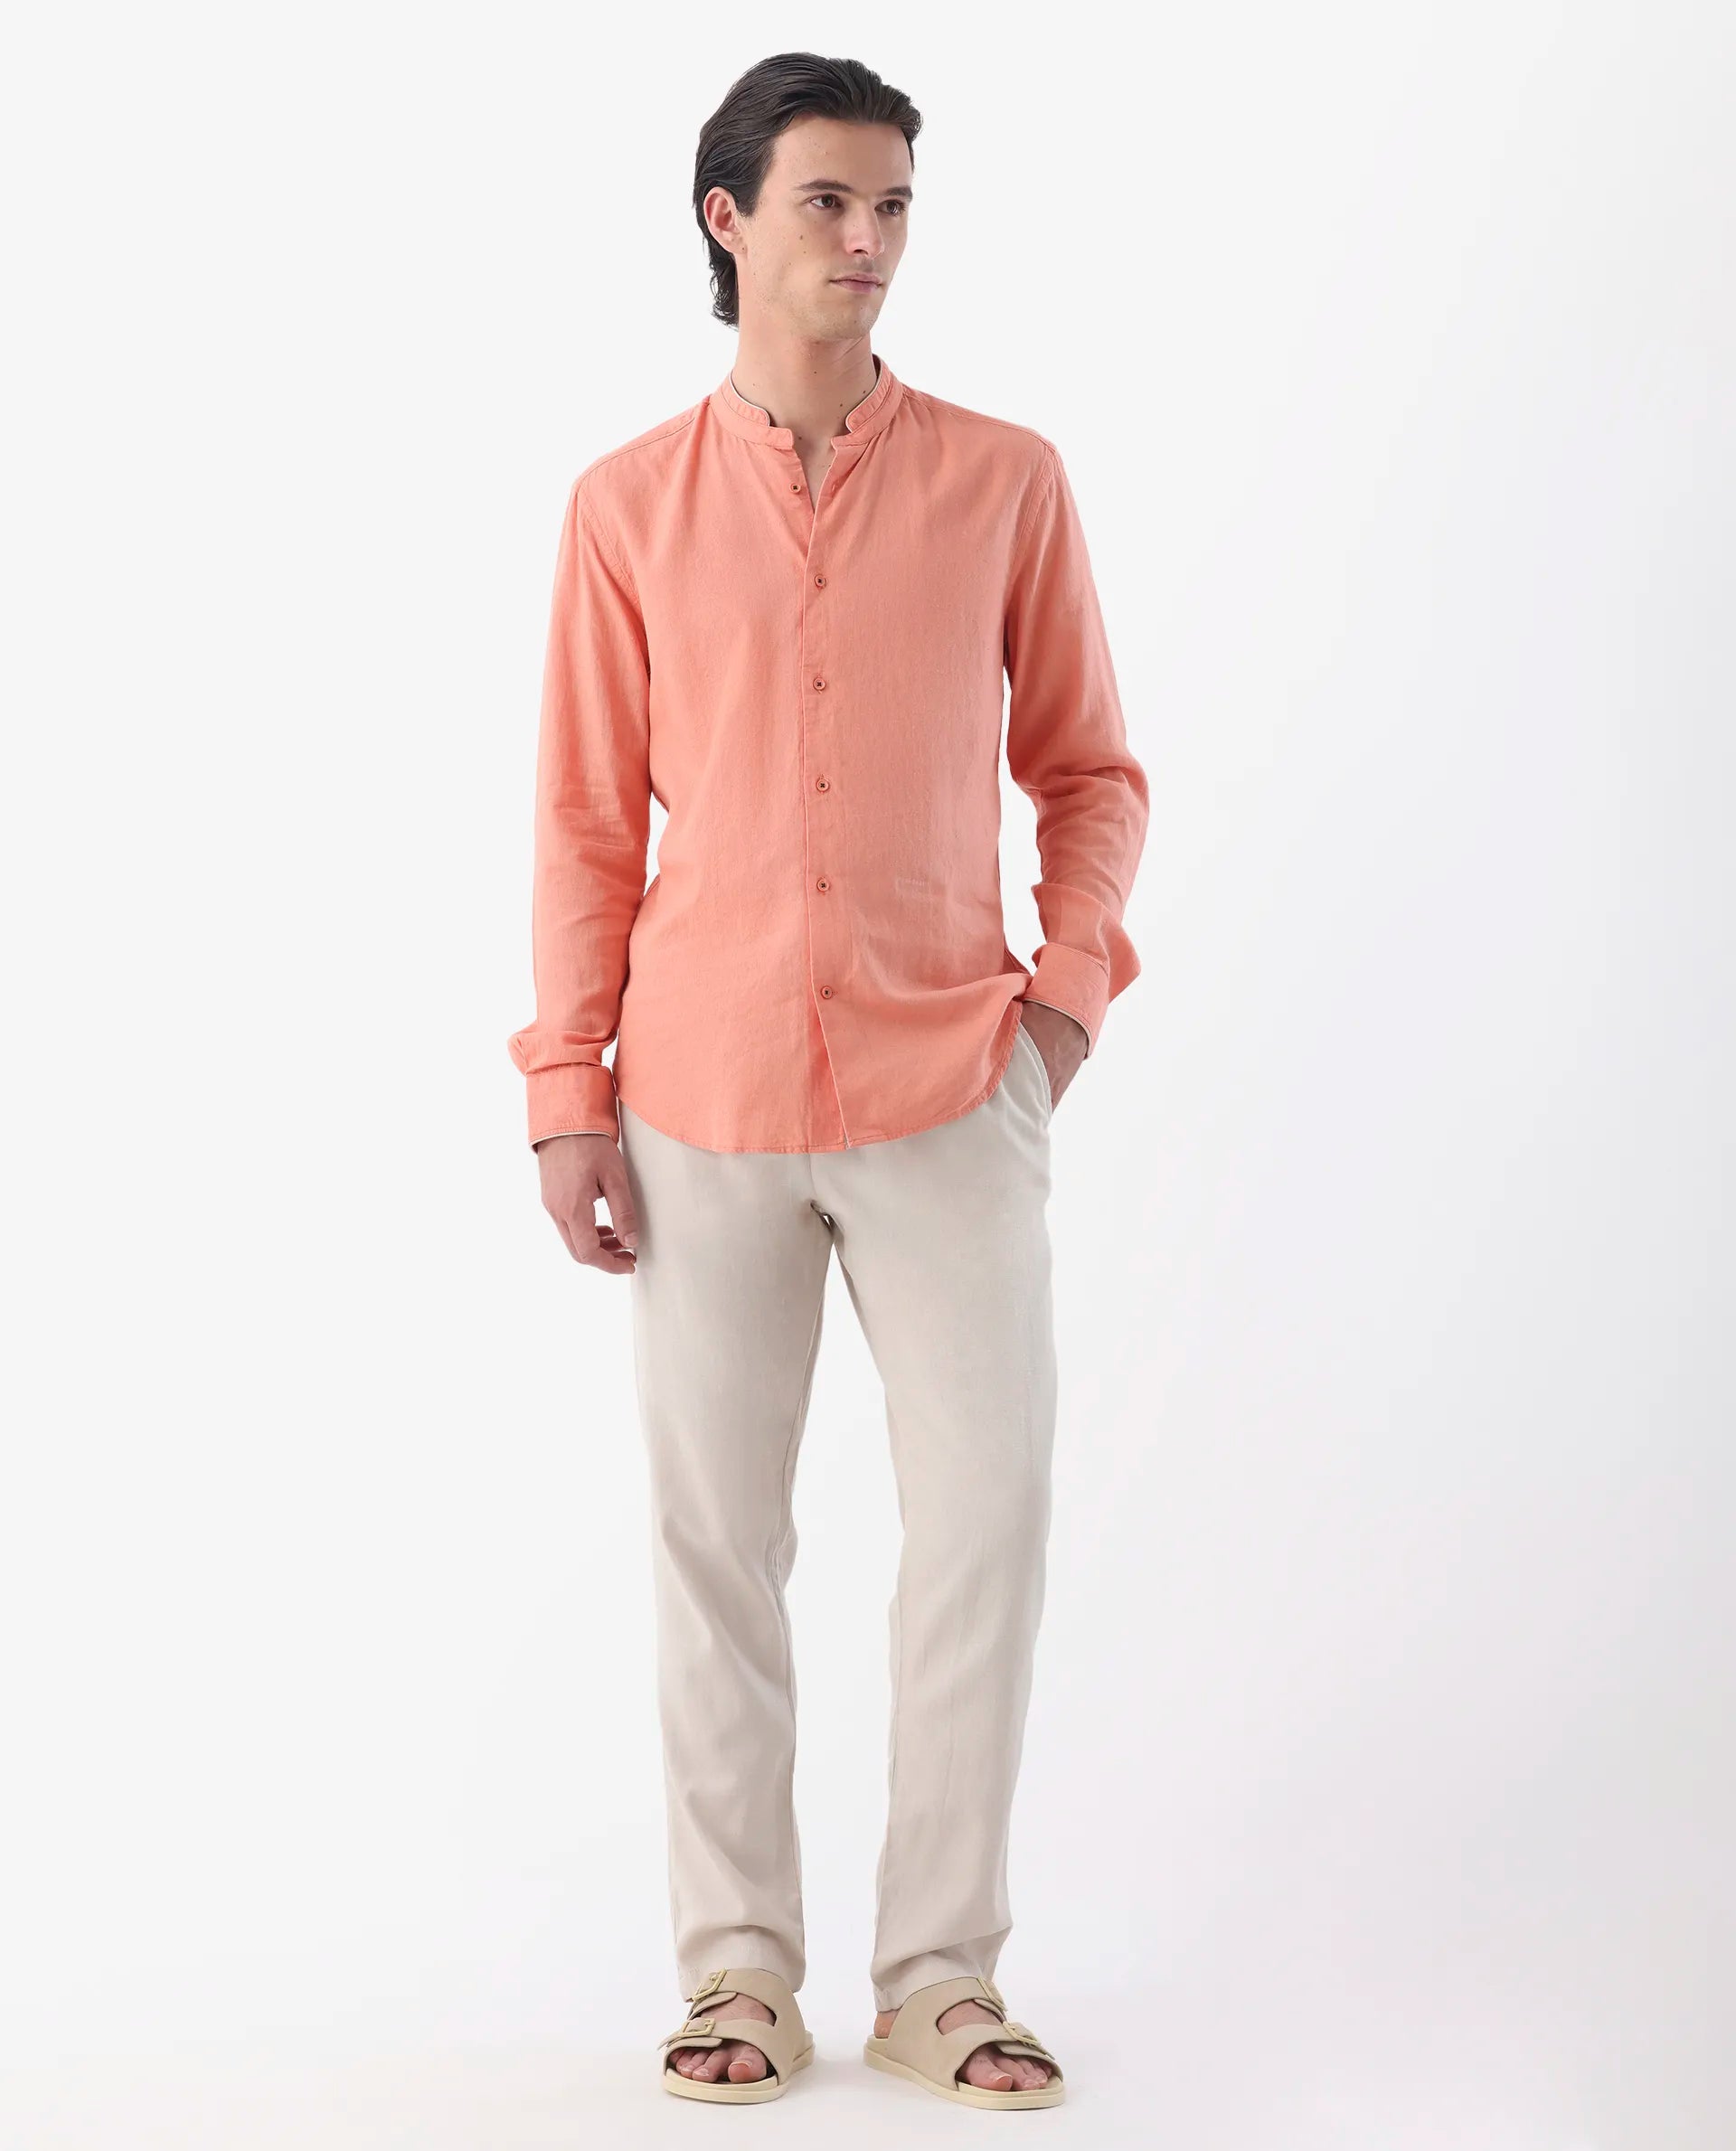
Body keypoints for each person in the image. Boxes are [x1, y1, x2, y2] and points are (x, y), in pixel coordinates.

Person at [506, 51, 1148, 2110]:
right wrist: (568, 1089)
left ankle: (944, 1976)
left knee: (985, 1527)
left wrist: (1060, 1005)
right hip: (696, 1099)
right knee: (718, 1548)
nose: (868, 243)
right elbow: (586, 822)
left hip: (953, 1080)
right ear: (730, 219)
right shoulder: (625, 507)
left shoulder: (1006, 481)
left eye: (892, 208)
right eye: (828, 203)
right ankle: (740, 1971)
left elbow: (1091, 771)